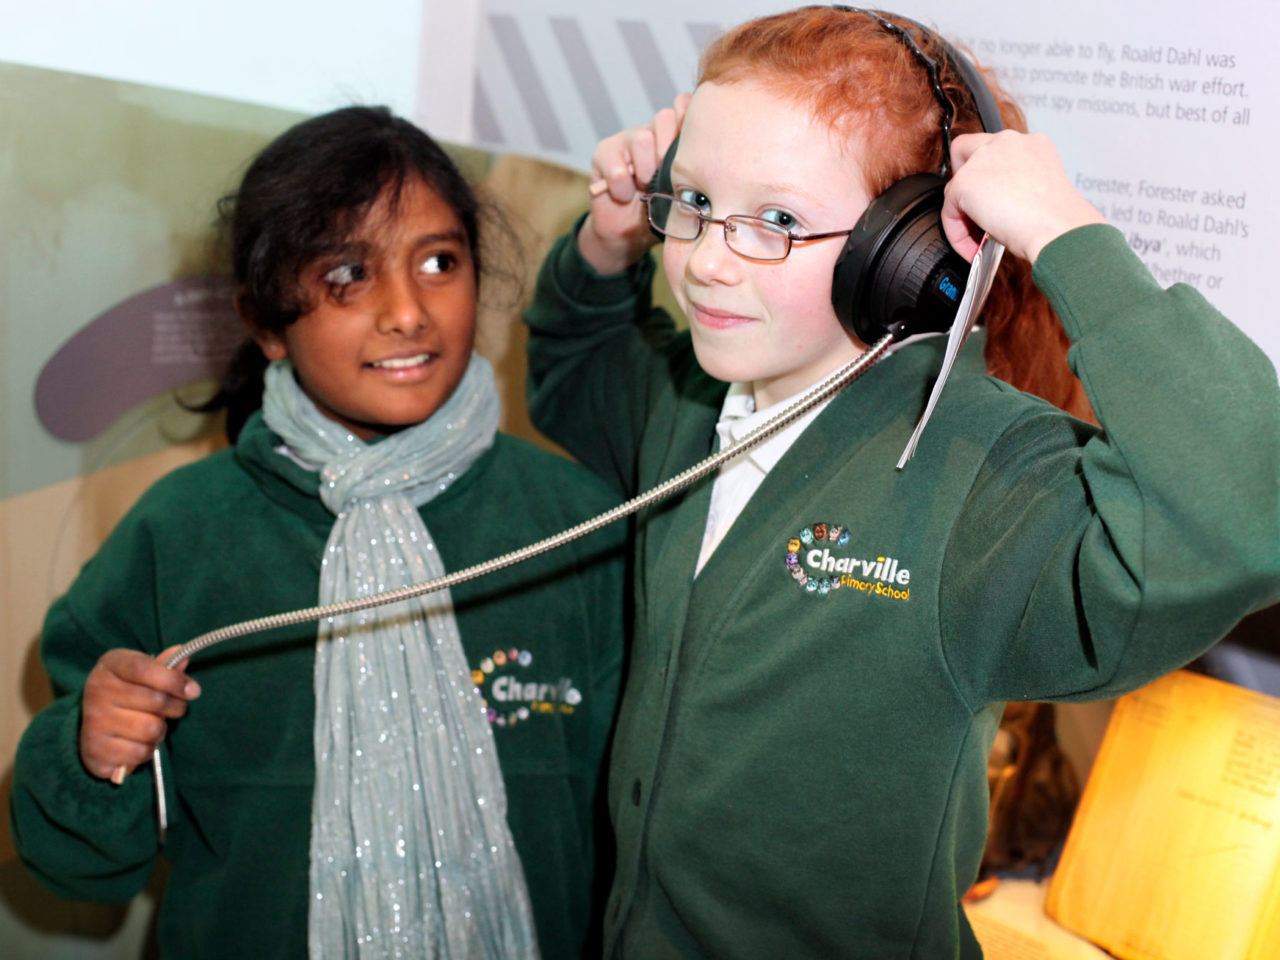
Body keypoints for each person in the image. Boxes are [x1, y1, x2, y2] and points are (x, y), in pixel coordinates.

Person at [523, 7, 1280, 958]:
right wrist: (611, 234)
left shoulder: (987, 481)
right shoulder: (692, 400)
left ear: (907, 248)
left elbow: (1248, 512)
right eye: (698, 202)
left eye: (779, 219)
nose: (709, 259)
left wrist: (1066, 234)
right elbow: (570, 367)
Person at [11, 105, 626, 960]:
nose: (408, 312)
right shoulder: (182, 533)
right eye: (347, 275)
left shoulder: (576, 523)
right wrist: (88, 750)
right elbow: (80, 866)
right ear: (265, 323)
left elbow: (645, 828)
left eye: (440, 262)